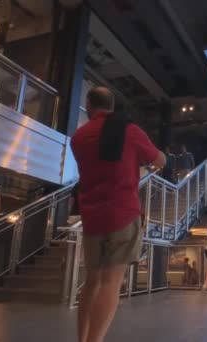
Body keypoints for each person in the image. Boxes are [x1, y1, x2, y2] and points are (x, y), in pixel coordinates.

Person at [71, 87, 166, 342]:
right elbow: (160, 160)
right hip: (123, 213)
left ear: (89, 105)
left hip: (92, 216)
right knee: (111, 283)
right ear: (112, 107)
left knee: (92, 282)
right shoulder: (130, 131)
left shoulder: (78, 137)